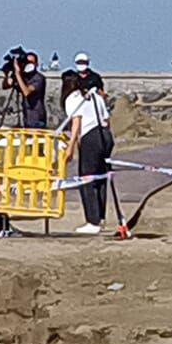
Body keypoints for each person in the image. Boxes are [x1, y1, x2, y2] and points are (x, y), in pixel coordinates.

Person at [61, 69, 115, 234]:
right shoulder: (95, 97)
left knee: (87, 179)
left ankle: (93, 220)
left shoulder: (73, 99)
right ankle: (100, 217)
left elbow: (76, 122)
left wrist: (71, 147)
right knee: (100, 177)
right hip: (105, 134)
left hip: (91, 135)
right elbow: (106, 119)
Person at [4, 50, 46, 129]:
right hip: (26, 117)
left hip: (37, 118)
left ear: (36, 64)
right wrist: (7, 74)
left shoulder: (39, 78)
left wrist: (18, 74)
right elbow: (6, 85)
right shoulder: (23, 77)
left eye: (31, 62)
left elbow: (26, 92)